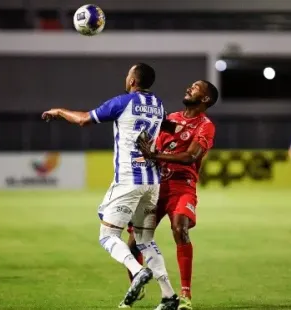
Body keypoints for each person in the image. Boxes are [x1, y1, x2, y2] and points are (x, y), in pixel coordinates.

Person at [42, 63, 179, 310]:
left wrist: (60, 111)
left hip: (129, 180)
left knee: (107, 236)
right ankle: (169, 295)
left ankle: (137, 271)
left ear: (133, 81)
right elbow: (171, 128)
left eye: (128, 73)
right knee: (145, 239)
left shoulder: (123, 102)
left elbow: (84, 119)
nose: (125, 77)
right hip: (152, 182)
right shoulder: (158, 105)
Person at [132, 80, 218, 310]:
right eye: (190, 85)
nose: (189, 88)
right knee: (133, 241)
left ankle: (185, 296)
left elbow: (190, 156)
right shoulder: (170, 119)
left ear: (206, 98)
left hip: (182, 186)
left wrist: (154, 155)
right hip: (157, 186)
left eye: (196, 87)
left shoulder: (205, 126)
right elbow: (151, 149)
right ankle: (135, 285)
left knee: (180, 229)